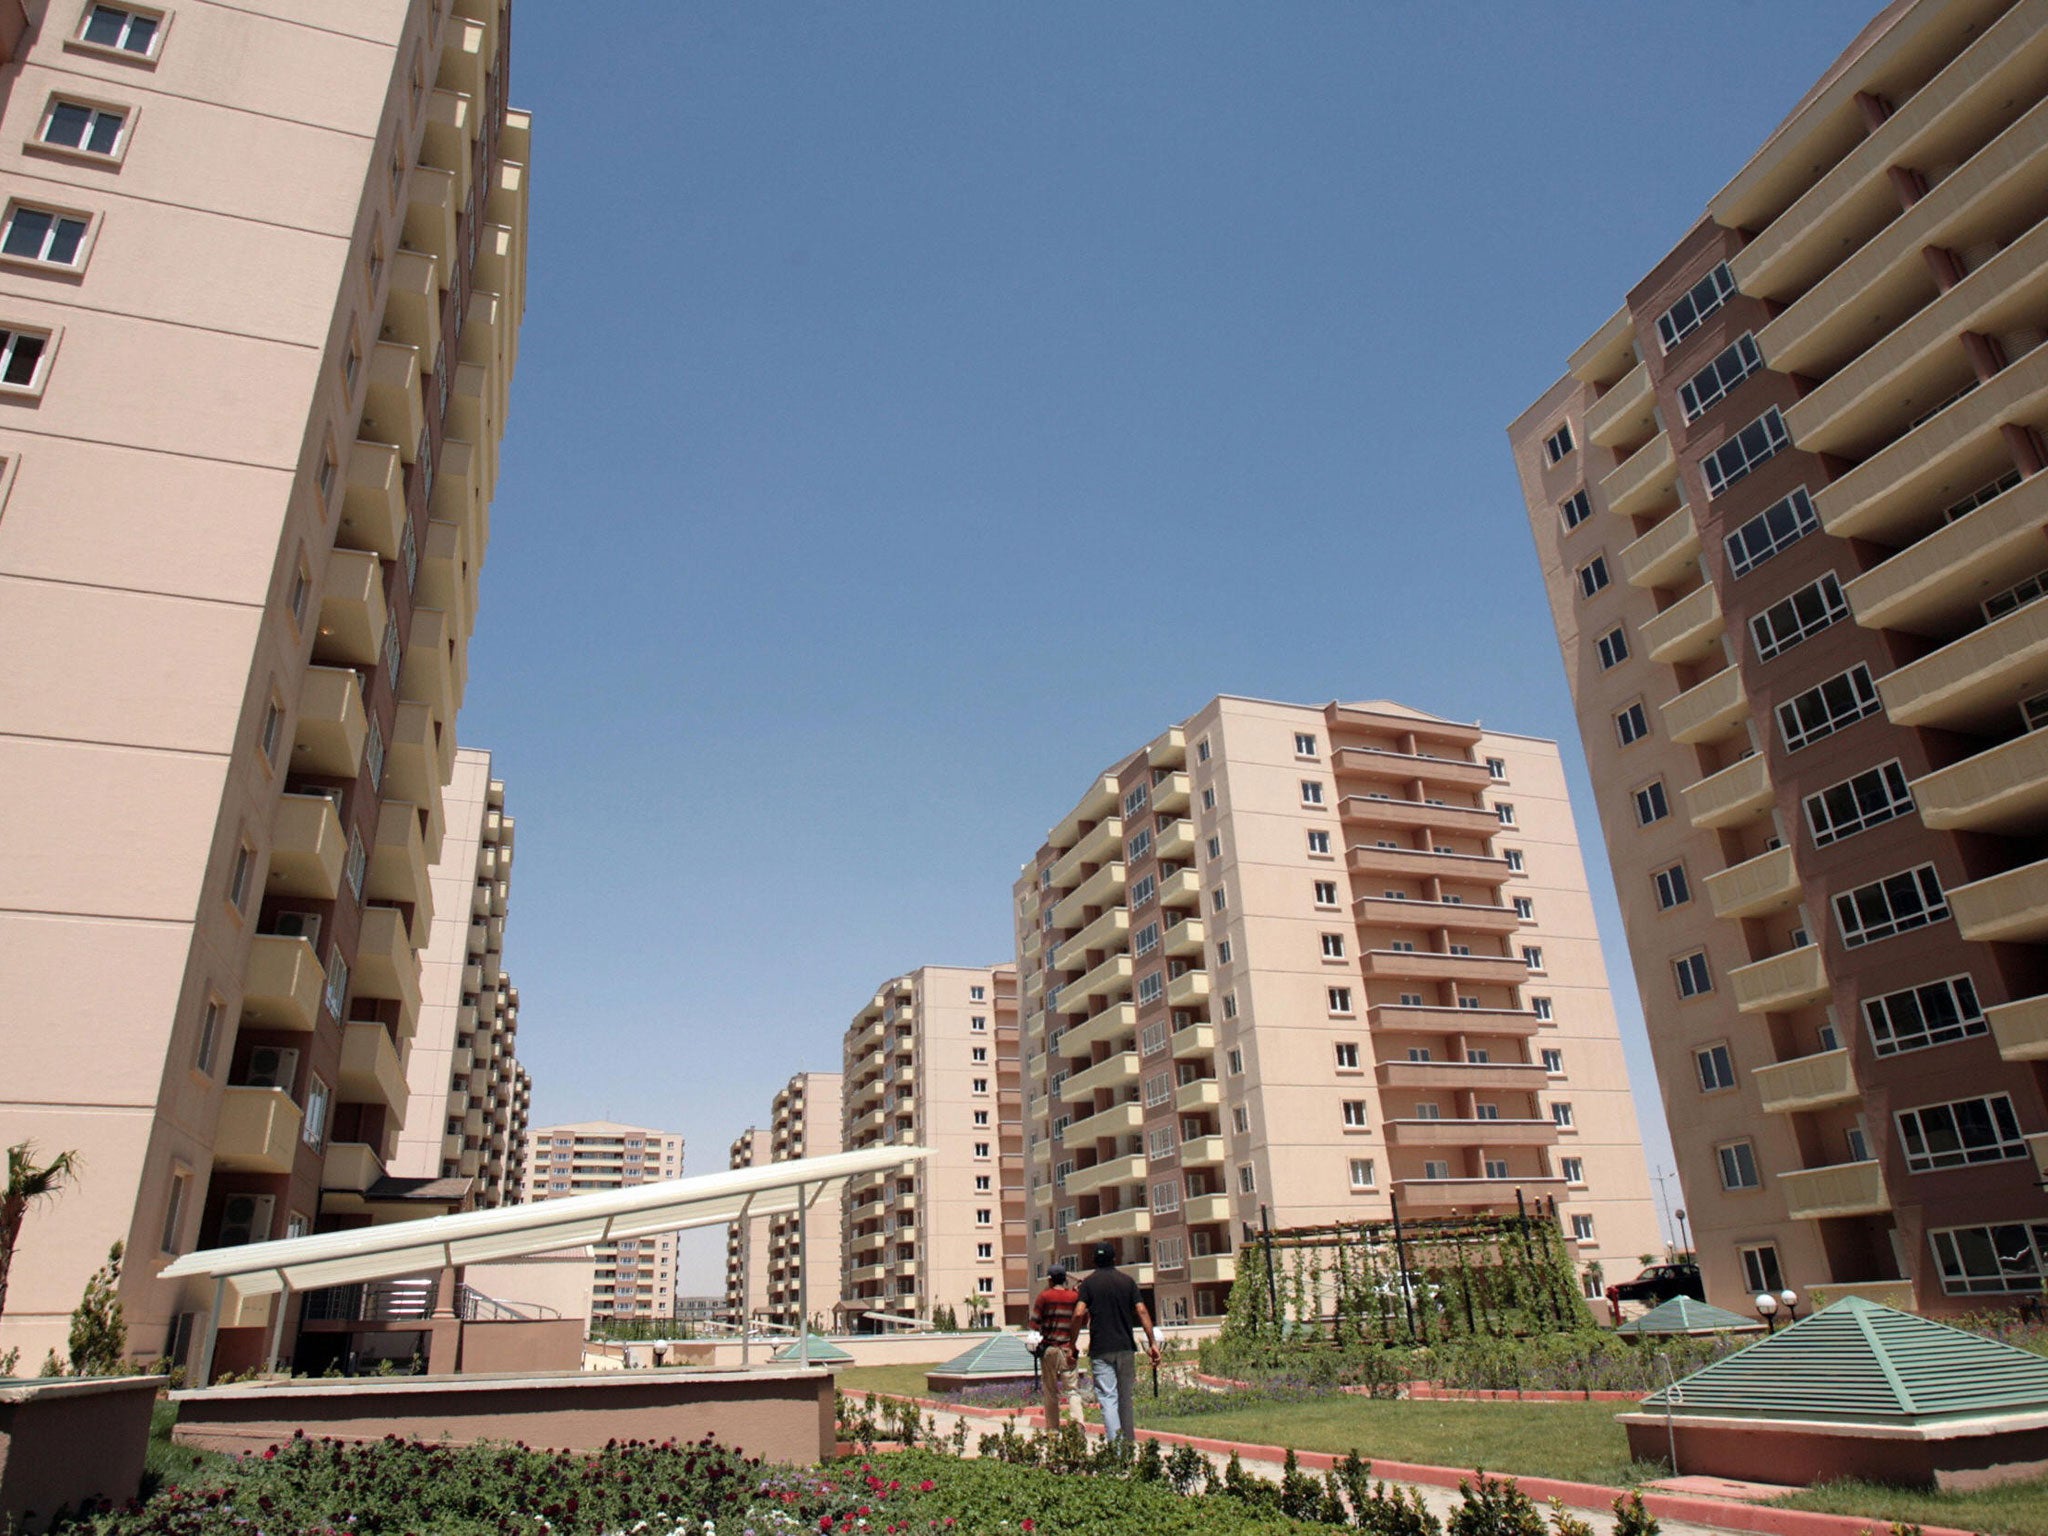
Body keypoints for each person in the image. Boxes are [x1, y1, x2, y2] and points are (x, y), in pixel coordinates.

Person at [1072, 1240, 1160, 1442]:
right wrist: (1152, 1343)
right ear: (1114, 1259)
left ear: (1094, 1260)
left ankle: (1116, 1451)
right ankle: (1128, 1448)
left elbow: (1078, 1313)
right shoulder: (1127, 1282)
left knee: (1108, 1399)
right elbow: (1142, 1310)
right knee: (1125, 1399)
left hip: (1102, 1349)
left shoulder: (1089, 1284)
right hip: (1125, 1346)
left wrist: (1071, 1343)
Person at [1028, 1262, 1083, 1430]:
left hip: (1049, 1348)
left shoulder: (1044, 1297)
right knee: (1072, 1390)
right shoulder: (1074, 1298)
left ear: (1050, 1280)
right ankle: (1077, 1425)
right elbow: (1083, 1319)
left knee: (1051, 1391)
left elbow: (1034, 1323)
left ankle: (1052, 1429)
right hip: (1068, 1348)